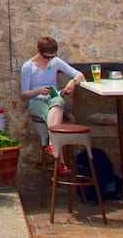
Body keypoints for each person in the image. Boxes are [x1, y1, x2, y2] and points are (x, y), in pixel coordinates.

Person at [20, 37, 85, 169]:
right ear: (38, 51)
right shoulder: (28, 67)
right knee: (54, 108)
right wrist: (39, 90)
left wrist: (72, 83)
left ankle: (53, 146)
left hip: (54, 98)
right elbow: (24, 93)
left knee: (58, 100)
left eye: (51, 57)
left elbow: (80, 75)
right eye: (46, 57)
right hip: (37, 101)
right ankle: (60, 161)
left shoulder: (55, 62)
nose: (48, 59)